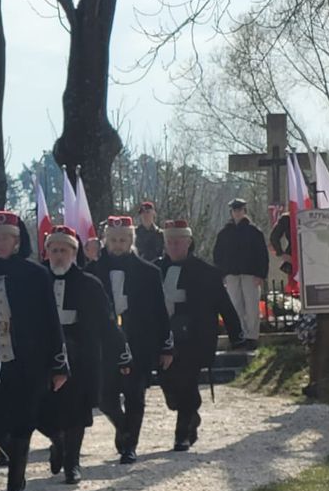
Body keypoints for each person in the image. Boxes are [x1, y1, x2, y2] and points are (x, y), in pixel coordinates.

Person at [0, 211, 68, 491]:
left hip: (28, 360)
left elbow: (50, 320)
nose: (0, 242)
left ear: (17, 241)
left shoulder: (35, 274)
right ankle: (55, 440)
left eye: (6, 237)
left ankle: (14, 487)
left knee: (22, 422)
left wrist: (59, 362)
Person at [37, 226, 131, 484]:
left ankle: (72, 463)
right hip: (43, 358)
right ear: (47, 253)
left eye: (63, 251)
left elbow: (106, 322)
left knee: (76, 412)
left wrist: (122, 352)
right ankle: (57, 441)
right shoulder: (37, 280)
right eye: (54, 250)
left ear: (74, 253)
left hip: (81, 359)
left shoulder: (89, 284)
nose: (58, 256)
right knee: (42, 410)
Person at [88, 215, 174, 464]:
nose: (117, 244)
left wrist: (166, 346)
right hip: (105, 347)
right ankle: (123, 426)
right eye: (113, 240)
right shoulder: (92, 272)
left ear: (131, 241)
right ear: (105, 241)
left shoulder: (149, 273)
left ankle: (130, 446)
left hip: (140, 343)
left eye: (123, 240)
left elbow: (160, 311)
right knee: (105, 397)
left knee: (136, 395)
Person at [158, 219, 244, 450]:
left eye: (178, 241)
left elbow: (224, 305)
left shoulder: (207, 272)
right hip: (163, 339)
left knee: (186, 383)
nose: (174, 246)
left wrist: (237, 335)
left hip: (194, 340)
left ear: (188, 242)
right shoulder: (154, 270)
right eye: (170, 242)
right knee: (169, 386)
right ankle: (190, 414)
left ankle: (183, 433)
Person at [212, 198, 268, 349]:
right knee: (235, 306)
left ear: (244, 211)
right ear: (231, 213)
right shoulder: (224, 233)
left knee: (251, 306)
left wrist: (261, 274)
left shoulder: (254, 231)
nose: (237, 213)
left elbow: (262, 254)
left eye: (240, 210)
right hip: (231, 274)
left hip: (250, 274)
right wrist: (221, 273)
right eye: (235, 210)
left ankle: (252, 336)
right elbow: (217, 254)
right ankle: (239, 335)